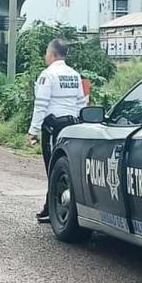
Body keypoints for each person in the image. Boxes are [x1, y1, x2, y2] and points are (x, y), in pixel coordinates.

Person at [25, 38, 87, 223]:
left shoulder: (48, 75)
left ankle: (55, 210)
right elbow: (81, 103)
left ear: (51, 54)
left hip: (53, 128)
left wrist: (33, 131)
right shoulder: (74, 75)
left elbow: (41, 104)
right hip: (72, 126)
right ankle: (49, 207)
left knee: (54, 168)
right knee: (67, 167)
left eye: (46, 52)